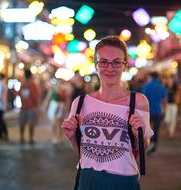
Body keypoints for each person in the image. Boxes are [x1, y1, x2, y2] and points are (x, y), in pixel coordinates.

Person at [61, 36, 153, 190]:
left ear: (124, 65)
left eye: (116, 62)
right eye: (103, 62)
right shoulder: (80, 103)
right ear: (96, 64)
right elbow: (82, 153)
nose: (110, 68)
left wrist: (139, 135)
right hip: (87, 179)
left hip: (123, 181)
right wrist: (72, 137)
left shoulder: (138, 102)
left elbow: (143, 147)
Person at [141, 72, 166, 153]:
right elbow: (164, 101)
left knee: (146, 129)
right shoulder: (161, 87)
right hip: (157, 111)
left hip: (147, 112)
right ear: (157, 77)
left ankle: (146, 145)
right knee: (156, 129)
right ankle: (154, 146)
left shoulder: (146, 86)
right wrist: (164, 111)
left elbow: (142, 100)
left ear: (150, 77)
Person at [18, 69, 40, 144]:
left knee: (22, 123)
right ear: (31, 75)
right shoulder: (33, 84)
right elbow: (35, 96)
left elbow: (19, 94)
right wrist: (37, 104)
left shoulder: (23, 84)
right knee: (31, 123)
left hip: (23, 106)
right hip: (31, 107)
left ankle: (21, 137)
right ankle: (30, 138)